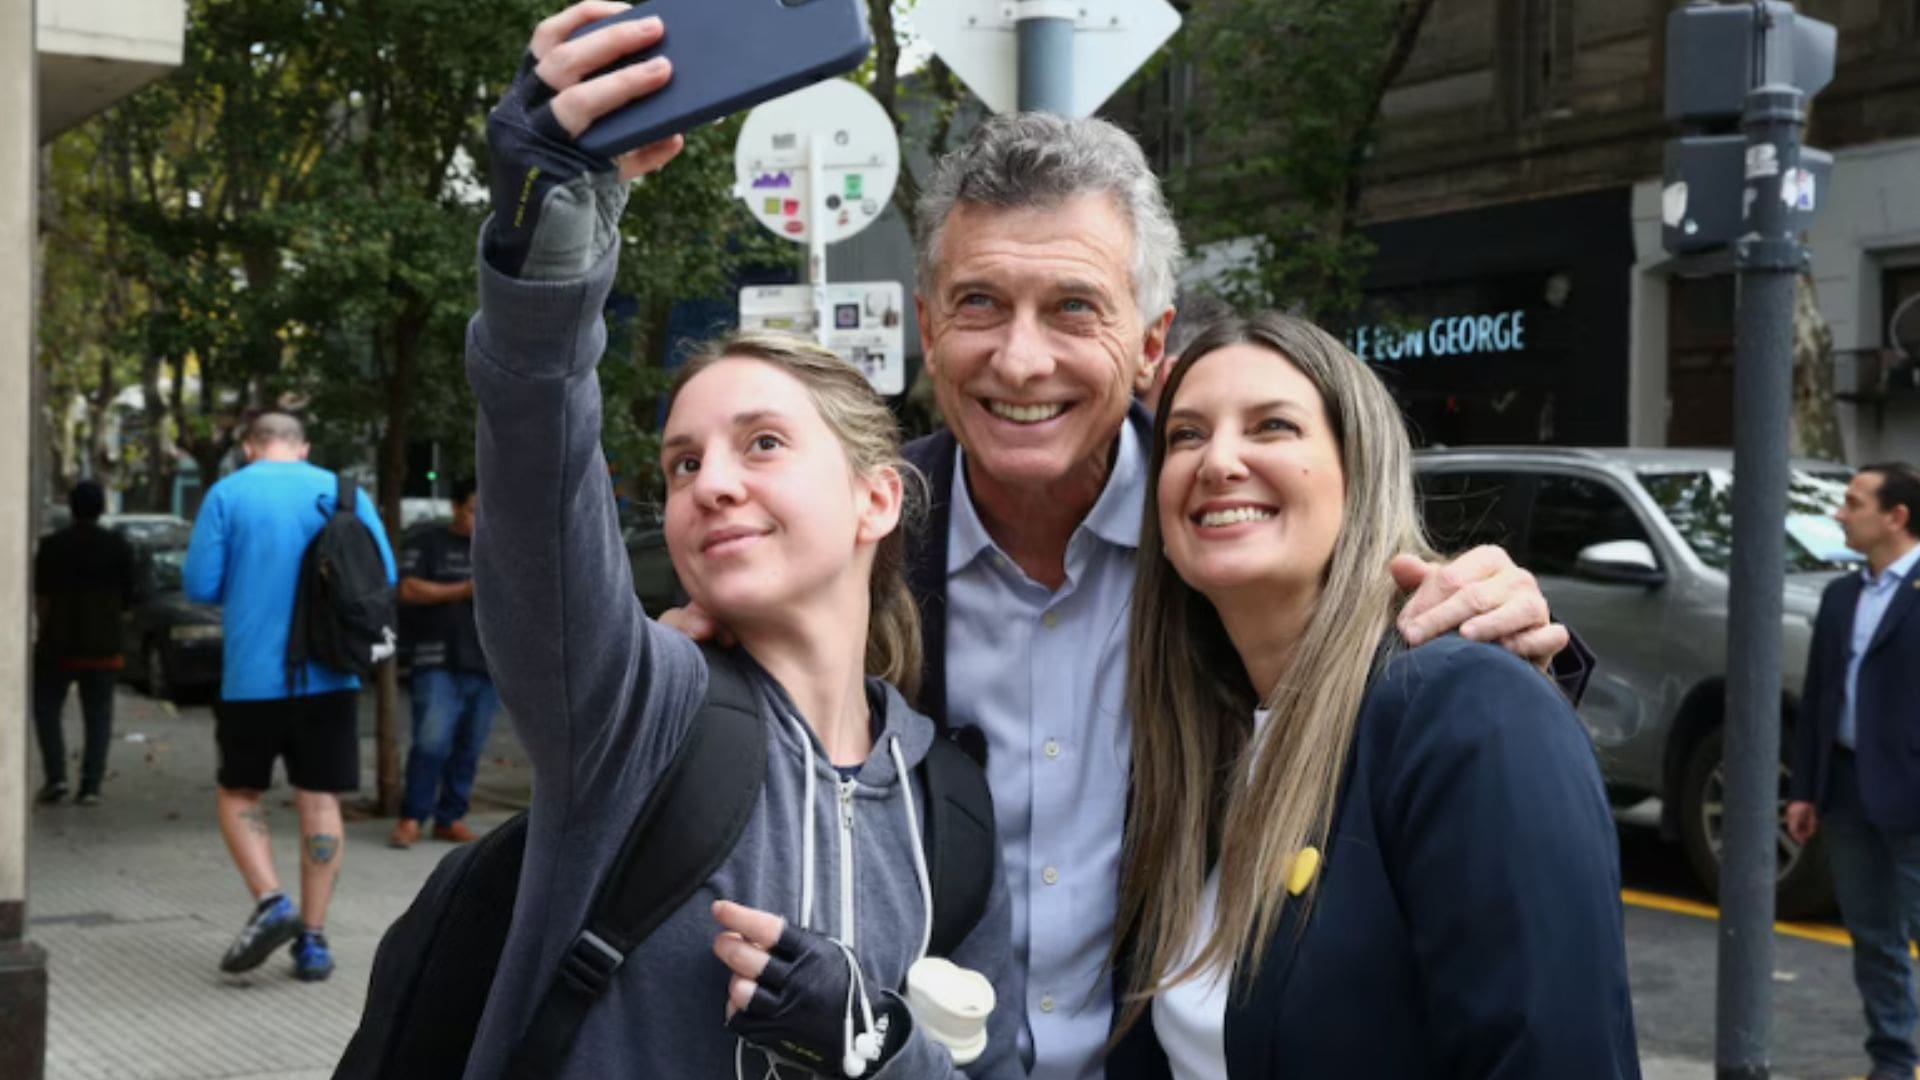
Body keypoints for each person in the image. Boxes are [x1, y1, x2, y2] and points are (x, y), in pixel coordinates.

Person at [892, 113, 1588, 1078]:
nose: (1021, 359)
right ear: (928, 329)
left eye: (1073, 308)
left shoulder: (1224, 551)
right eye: (979, 303)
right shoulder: (850, 544)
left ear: (1151, 344)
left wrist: (1514, 657)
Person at [456, 6, 1021, 1076]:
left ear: (876, 501)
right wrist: (551, 230)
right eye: (682, 463)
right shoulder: (632, 710)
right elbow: (537, 439)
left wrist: (874, 1043)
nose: (711, 482)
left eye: (762, 443)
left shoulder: (949, 807)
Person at [1104, 313, 1638, 1077]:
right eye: (1186, 435)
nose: (1218, 461)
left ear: (1360, 472)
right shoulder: (1193, 748)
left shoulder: (1466, 708)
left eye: (1273, 426)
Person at [183, 411, 397, 982]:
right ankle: (314, 941)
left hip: (250, 678)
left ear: (250, 448)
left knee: (238, 791)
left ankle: (272, 900)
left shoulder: (228, 494)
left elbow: (200, 585)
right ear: (303, 447)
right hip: (330, 676)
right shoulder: (345, 493)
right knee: (320, 800)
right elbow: (384, 577)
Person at [1787, 461, 1920, 1080]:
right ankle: (1892, 1061)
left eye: (1853, 503)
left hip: (1912, 796)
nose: (1839, 514)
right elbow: (1820, 698)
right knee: (1873, 937)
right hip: (1846, 790)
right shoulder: (1840, 596)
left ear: (1897, 516)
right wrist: (1805, 790)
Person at [390, 478, 497, 849]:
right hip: (436, 658)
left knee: (470, 745)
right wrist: (463, 590)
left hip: (487, 662)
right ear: (455, 507)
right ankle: (411, 817)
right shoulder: (428, 542)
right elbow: (408, 588)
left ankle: (450, 817)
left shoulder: (498, 549)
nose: (480, 519)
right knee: (431, 741)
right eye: (473, 510)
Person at [33, 479, 139, 805]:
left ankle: (56, 777)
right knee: (98, 716)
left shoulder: (52, 546)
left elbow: (41, 597)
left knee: (46, 709)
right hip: (103, 646)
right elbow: (129, 599)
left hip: (58, 645)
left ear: (71, 508)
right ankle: (91, 785)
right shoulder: (118, 547)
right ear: (102, 509)